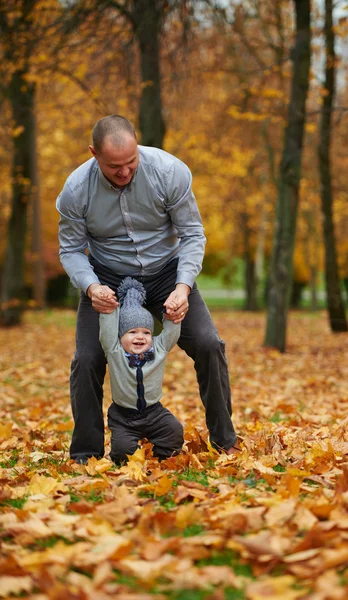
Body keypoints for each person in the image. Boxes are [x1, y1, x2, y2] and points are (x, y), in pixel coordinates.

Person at [56, 114, 238, 464]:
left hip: (167, 274)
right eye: (113, 167)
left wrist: (183, 287)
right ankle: (86, 453)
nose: (124, 173)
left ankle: (224, 440)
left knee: (209, 344)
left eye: (130, 163)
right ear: (94, 154)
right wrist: (92, 286)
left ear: (138, 147)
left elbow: (192, 234)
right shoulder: (76, 190)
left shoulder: (170, 172)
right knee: (87, 359)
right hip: (106, 279)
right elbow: (70, 249)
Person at [99, 277, 183, 463]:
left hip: (154, 412)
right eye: (132, 332)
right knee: (123, 451)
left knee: (174, 431)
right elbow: (108, 330)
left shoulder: (159, 349)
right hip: (123, 417)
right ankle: (125, 454)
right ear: (120, 336)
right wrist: (109, 310)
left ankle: (162, 456)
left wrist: (171, 316)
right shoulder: (114, 350)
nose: (140, 337)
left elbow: (171, 333)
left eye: (146, 332)